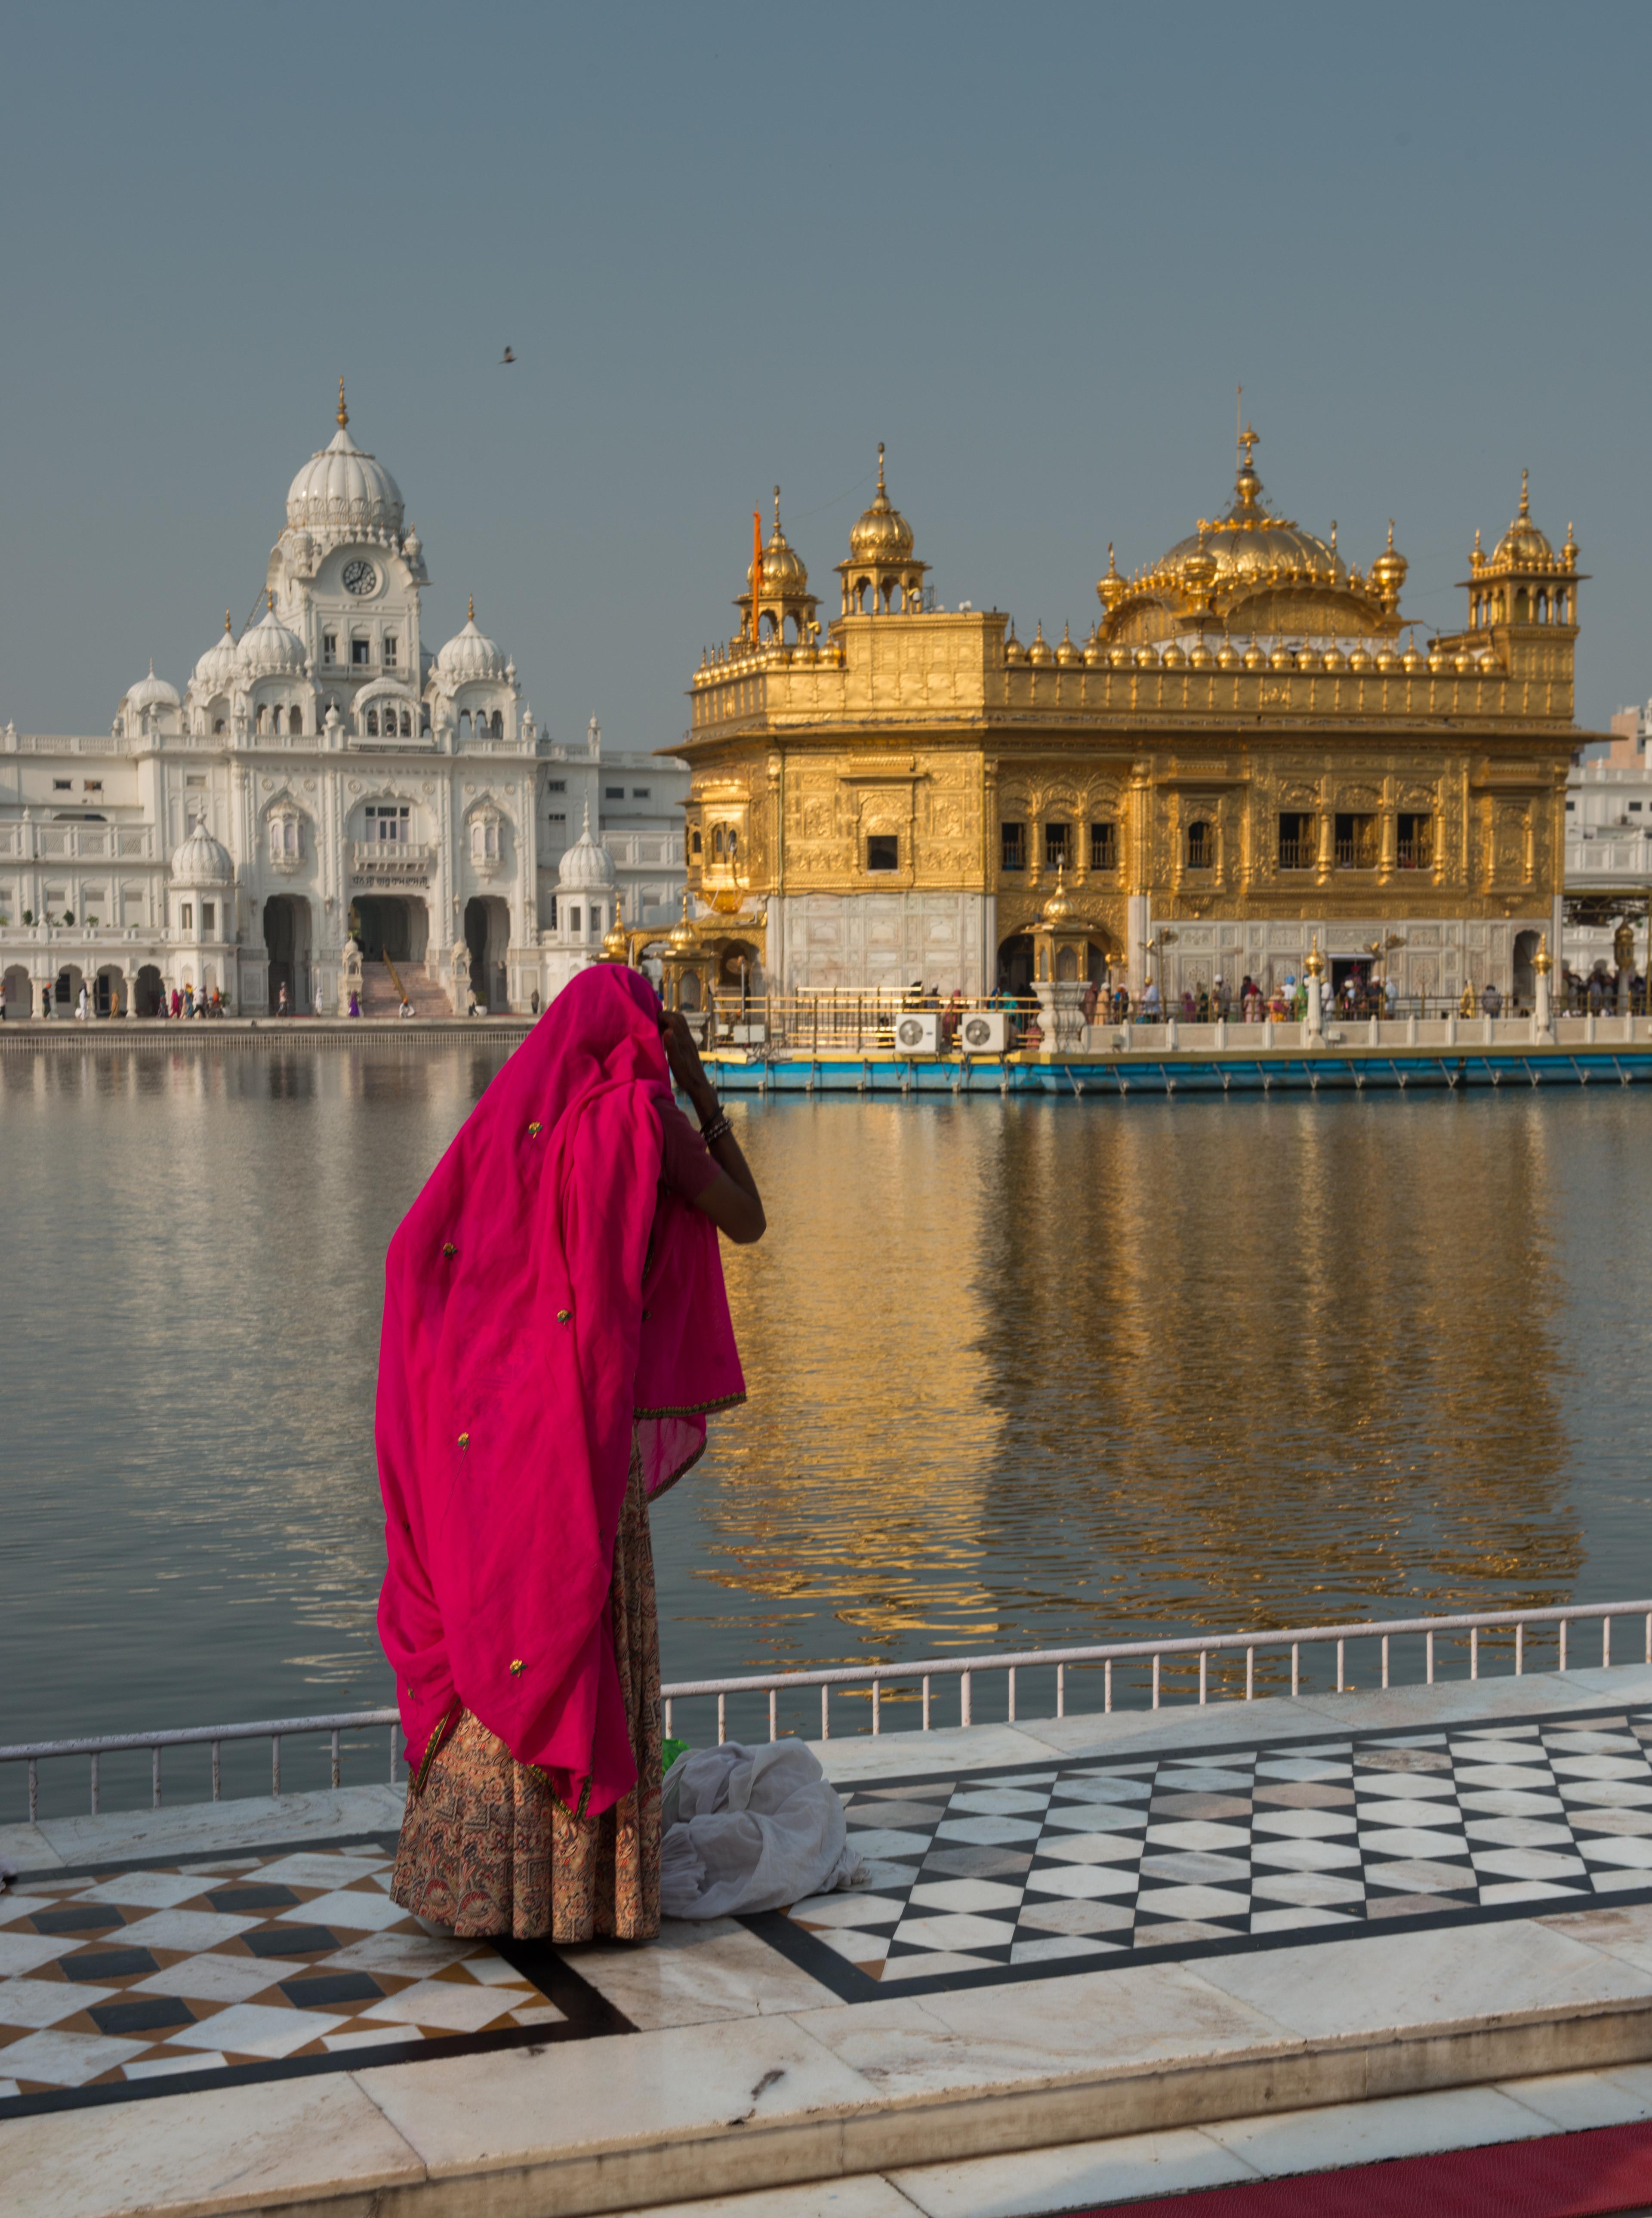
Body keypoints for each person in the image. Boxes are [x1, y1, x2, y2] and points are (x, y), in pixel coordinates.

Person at [380, 968, 762, 1945]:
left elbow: (415, 1252)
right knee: (572, 1626)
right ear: (644, 1037)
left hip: (497, 1426)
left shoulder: (518, 1129)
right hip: (582, 1432)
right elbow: (748, 1218)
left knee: (502, 1622)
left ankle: (466, 1880)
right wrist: (699, 1086)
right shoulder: (646, 1124)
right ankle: (581, 1891)